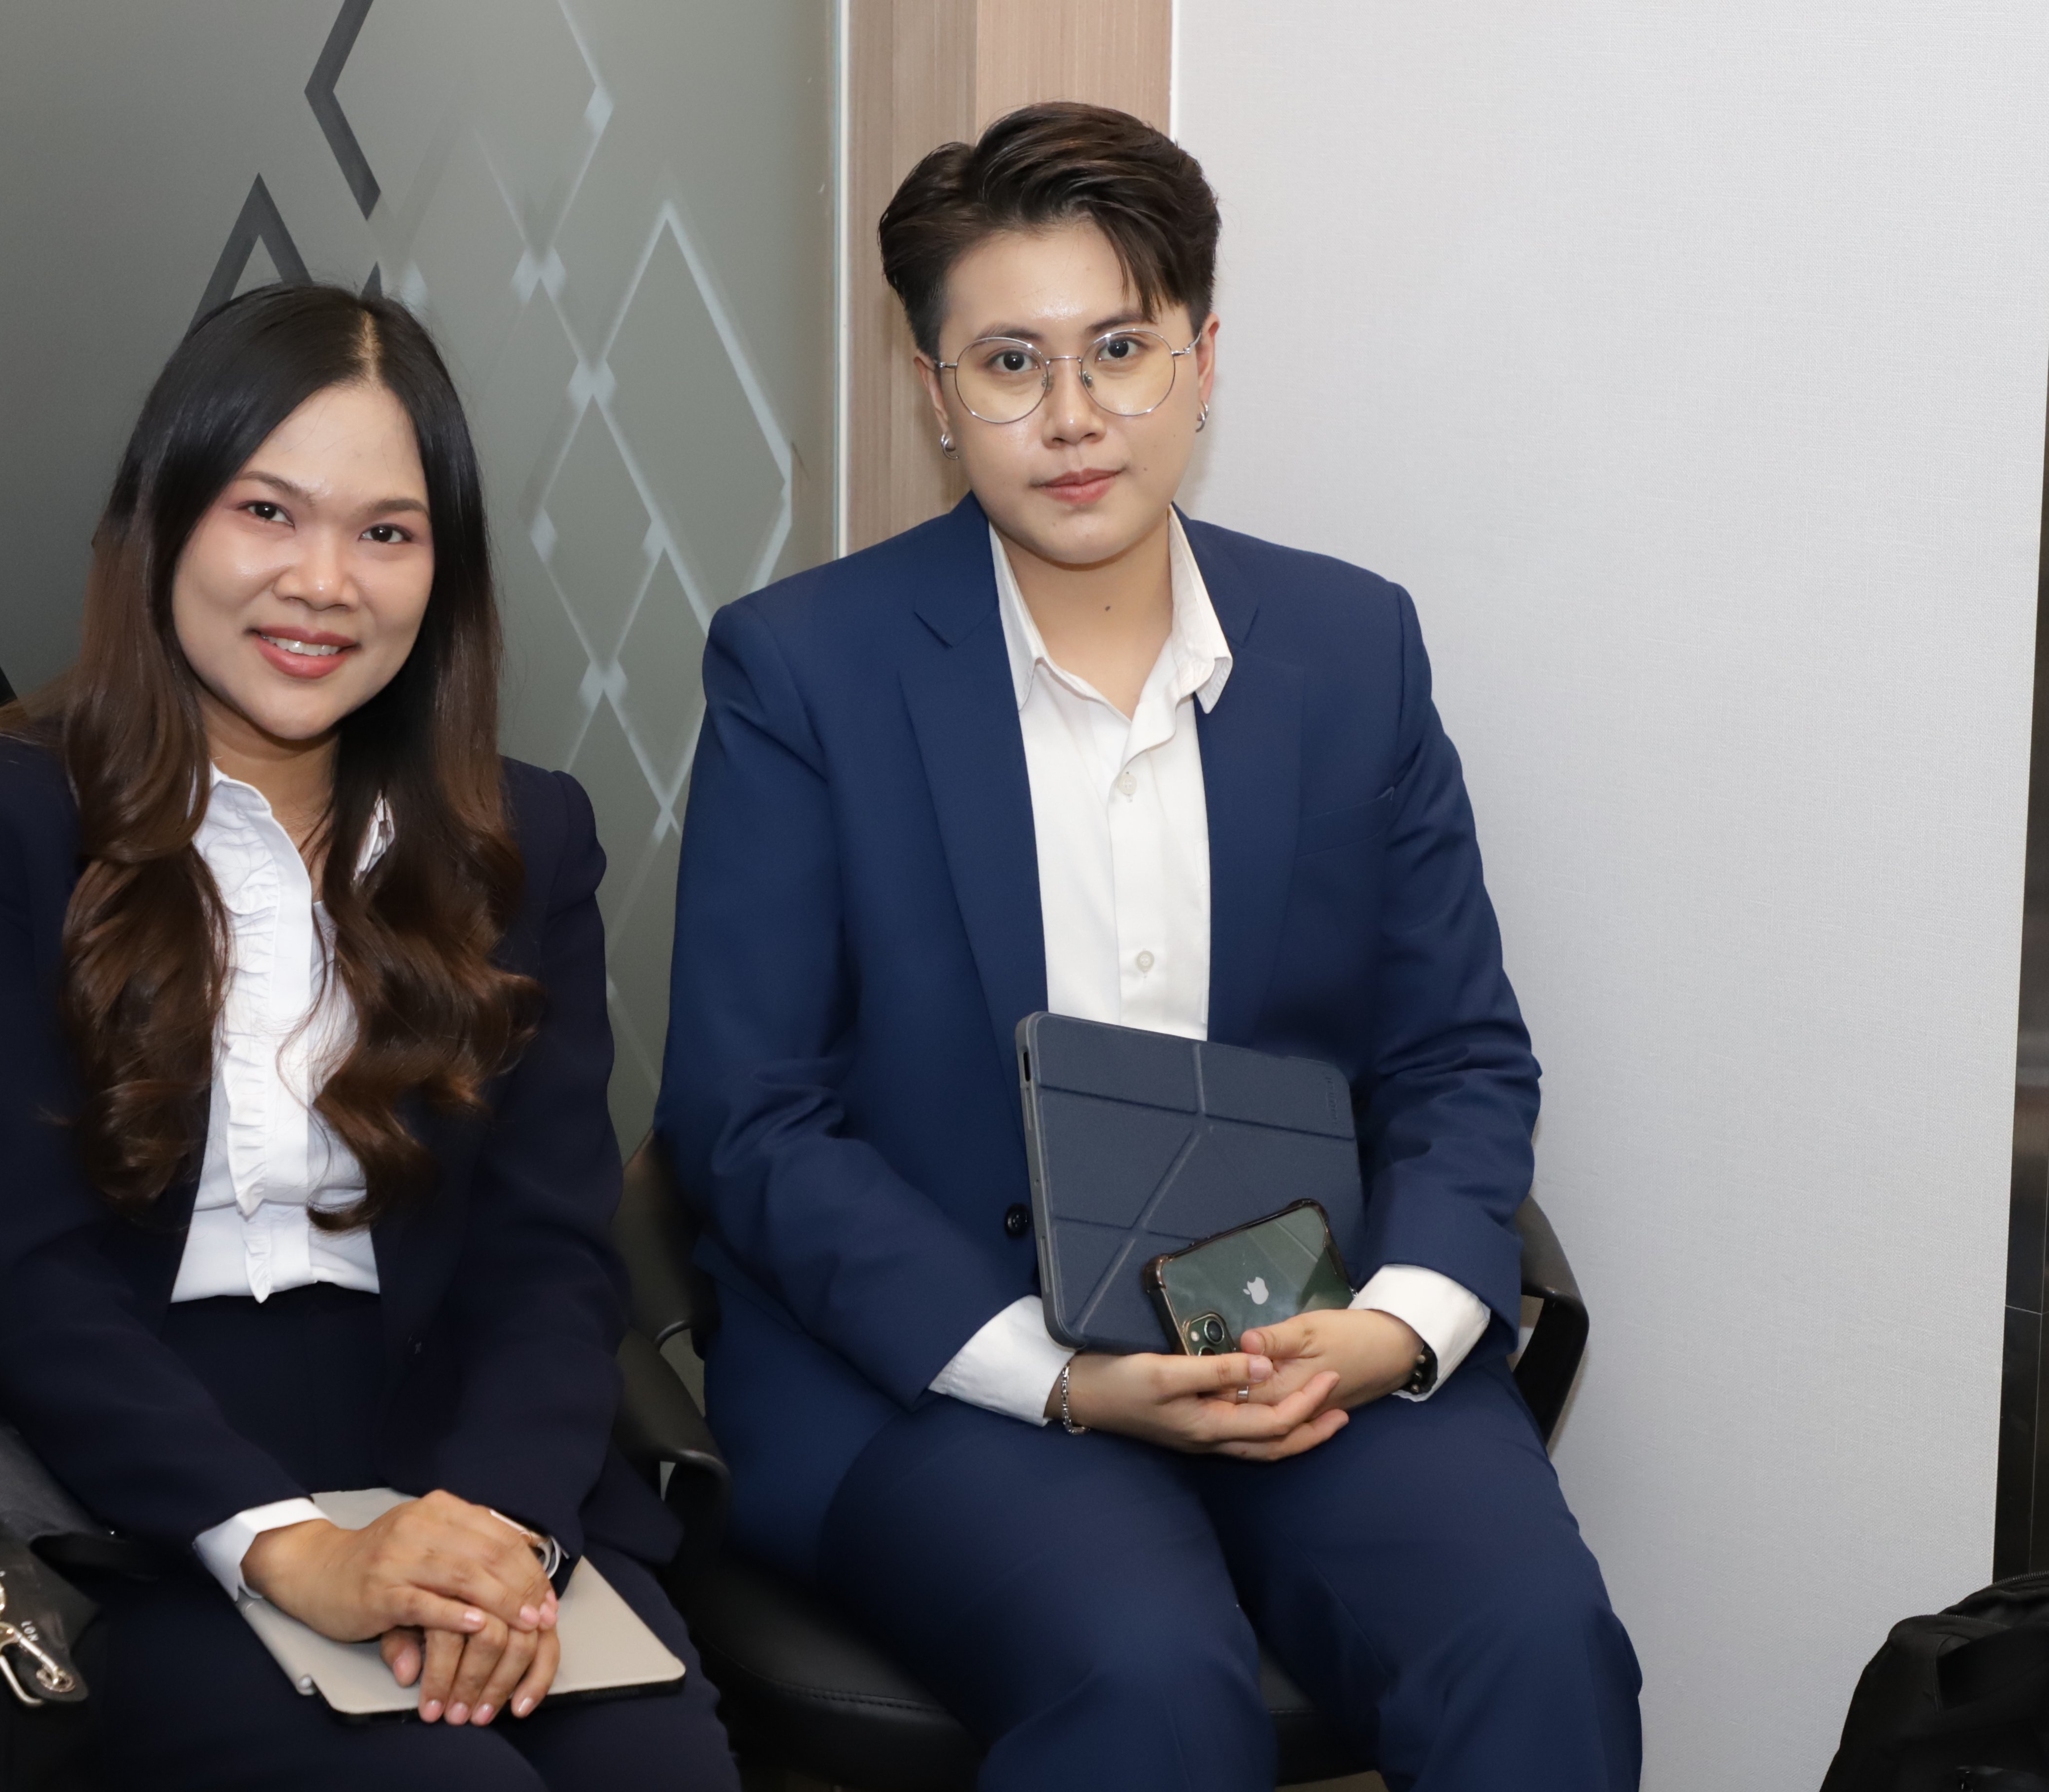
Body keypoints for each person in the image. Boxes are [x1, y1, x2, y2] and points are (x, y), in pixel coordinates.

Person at [655, 102, 1642, 1791]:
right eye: (1009, 364)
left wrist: (1396, 1323)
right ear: (935, 391)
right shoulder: (801, 669)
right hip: (946, 1373)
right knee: (1147, 1680)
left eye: (1120, 349)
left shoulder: (1352, 645)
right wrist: (1062, 1382)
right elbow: (749, 1121)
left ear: (1203, 359)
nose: (1073, 417)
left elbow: (1458, 1057)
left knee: (1533, 1641)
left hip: (1305, 1337)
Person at [0, 283, 736, 1792]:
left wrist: (493, 1532)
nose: (324, 583)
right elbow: (16, 1275)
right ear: (165, 522)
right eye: (268, 512)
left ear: (442, 573)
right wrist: (290, 1547)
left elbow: (550, 1256)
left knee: (659, 1777)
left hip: (466, 1476)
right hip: (131, 1502)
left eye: (387, 532)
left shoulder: (523, 835)